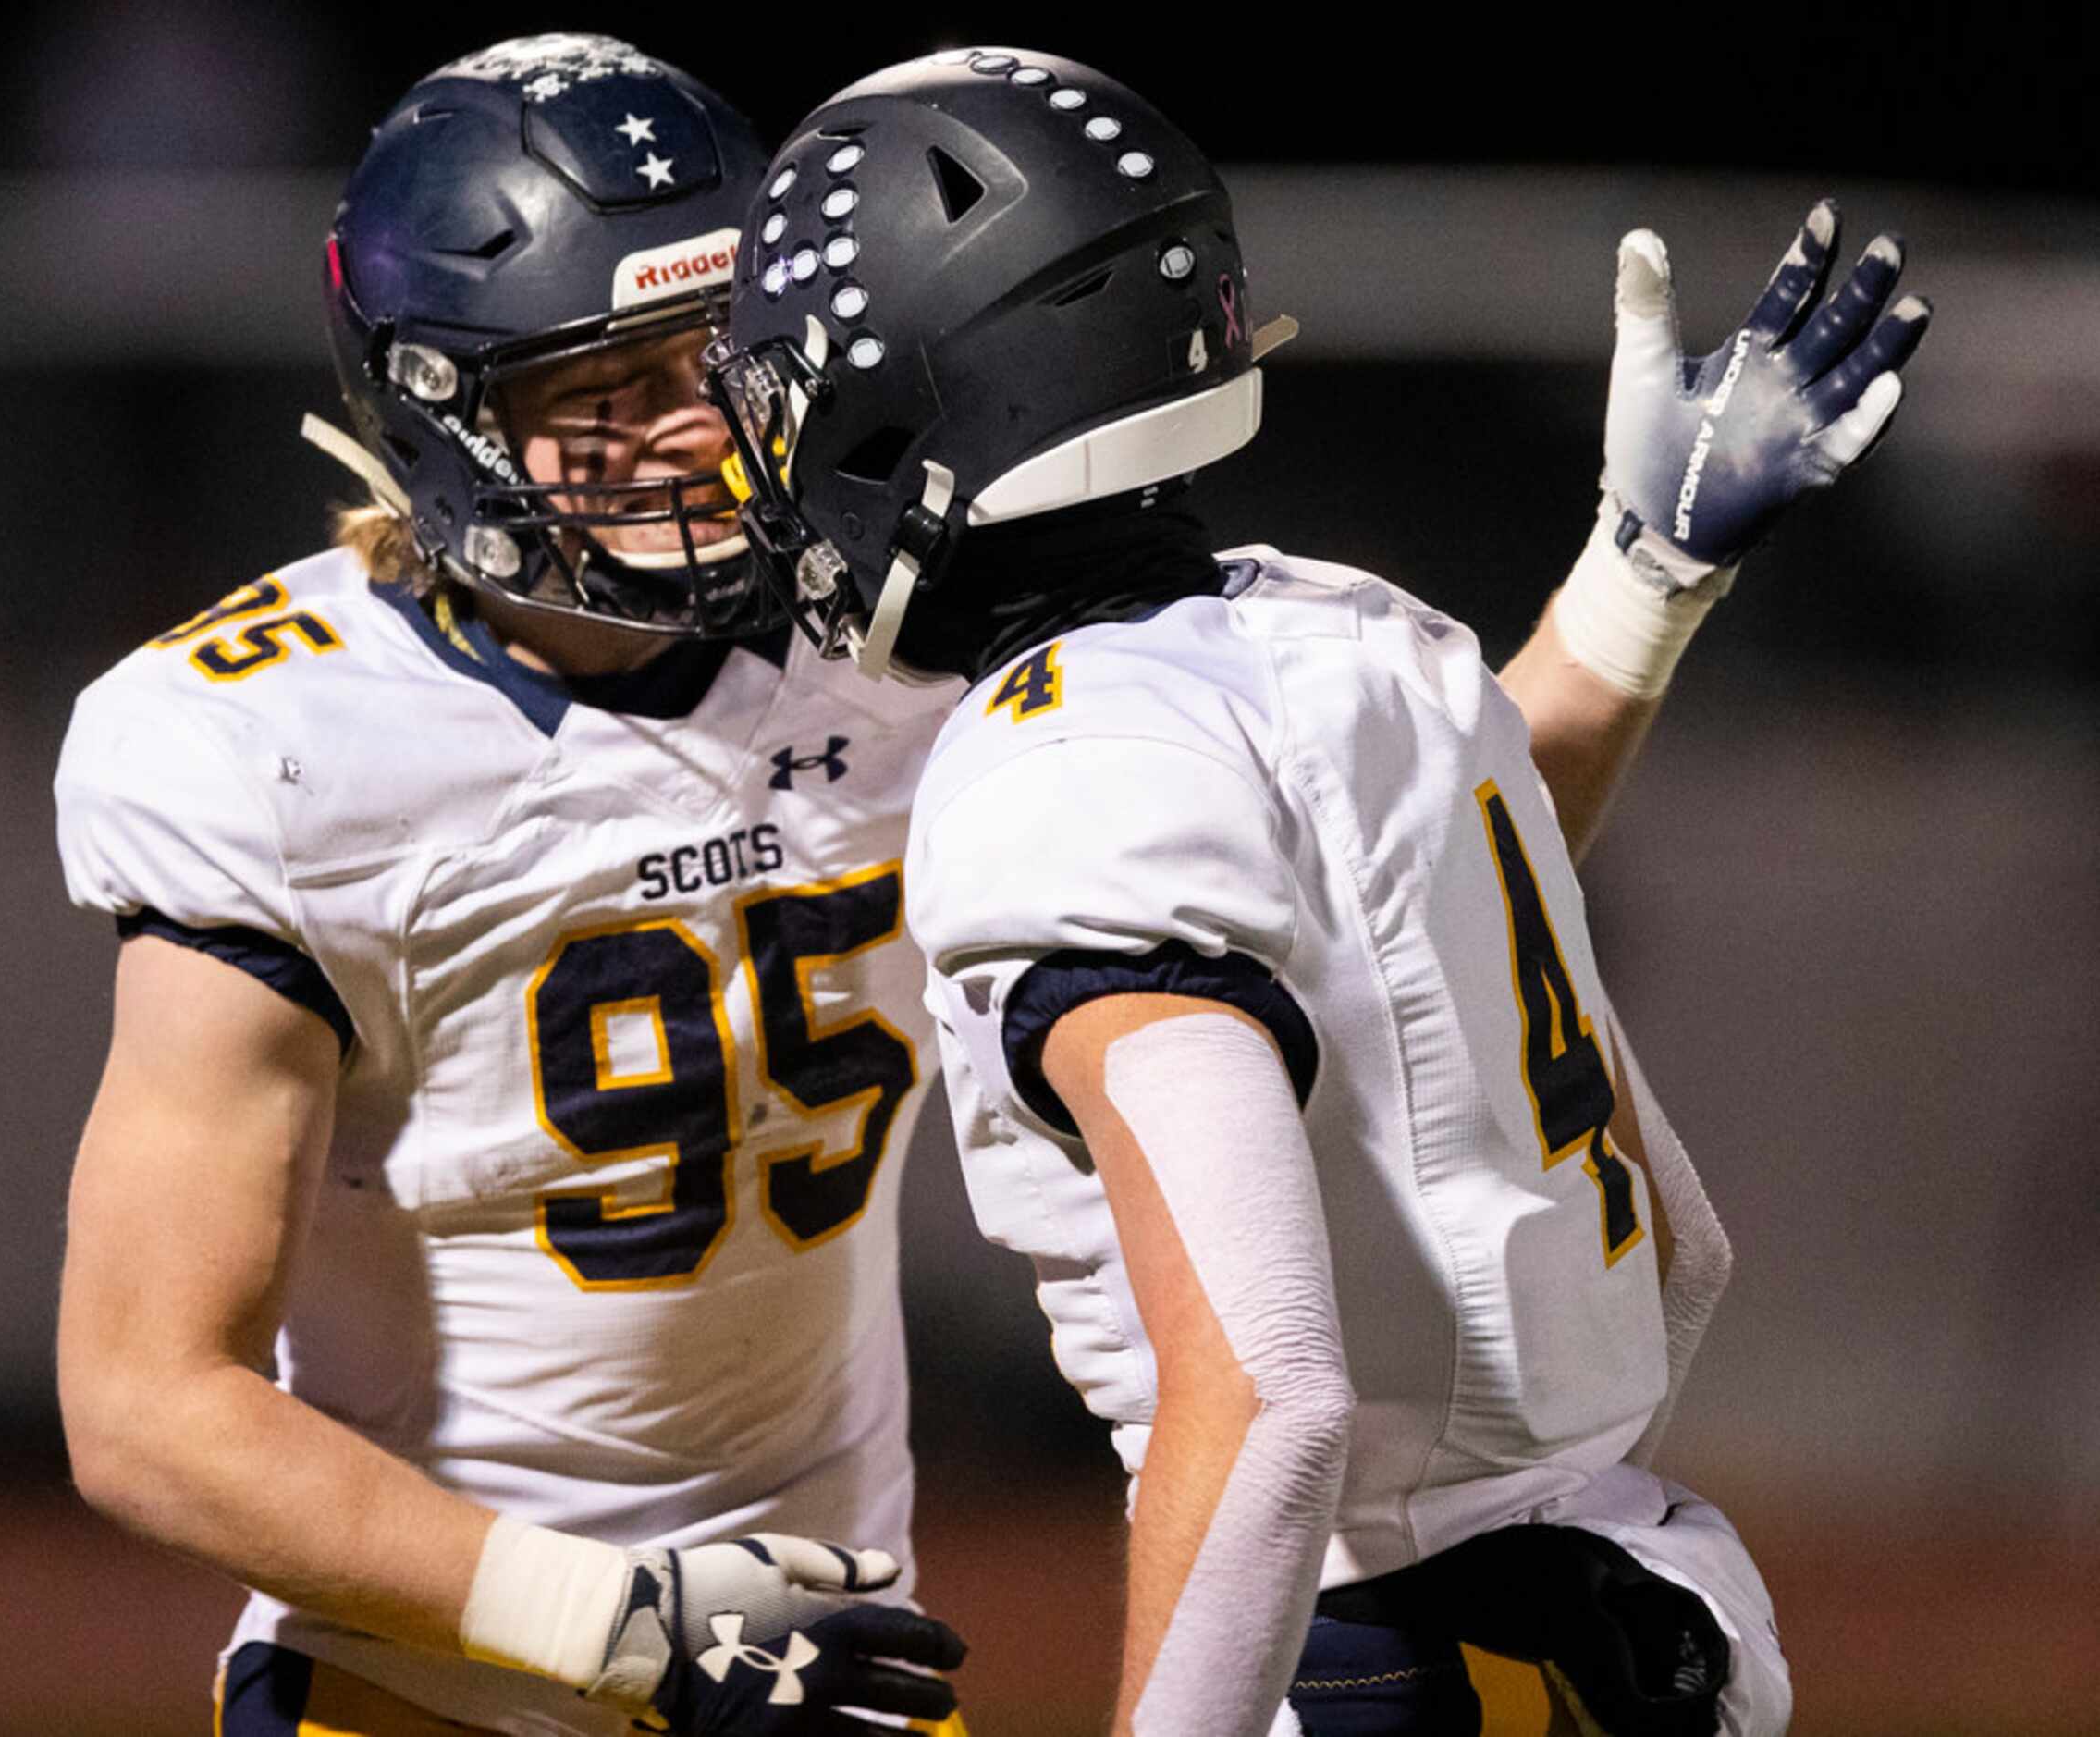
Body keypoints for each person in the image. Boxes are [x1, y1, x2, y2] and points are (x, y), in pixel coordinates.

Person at [55, 31, 1817, 1737]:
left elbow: (1374, 906)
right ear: (442, 418)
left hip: (826, 1652)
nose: (692, 436)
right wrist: (608, 1621)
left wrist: (1631, 597)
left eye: (711, 358)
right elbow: (142, 1401)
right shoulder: (273, 748)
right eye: (605, 397)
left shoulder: (900, 647)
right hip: (440, 1670)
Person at [711, 47, 1927, 1737]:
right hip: (1637, 1596)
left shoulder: (1068, 763)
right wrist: (1638, 586)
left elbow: (1274, 1405)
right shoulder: (1348, 624)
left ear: (917, 407)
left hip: (1361, 1652)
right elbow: (1668, 1231)